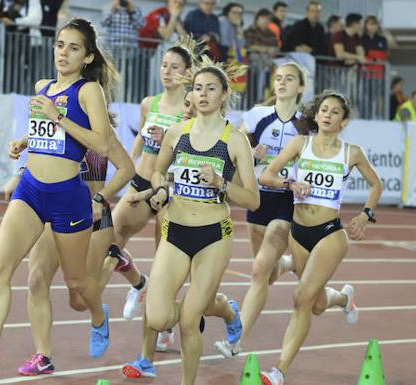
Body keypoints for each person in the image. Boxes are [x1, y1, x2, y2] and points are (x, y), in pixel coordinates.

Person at [0, 17, 118, 384]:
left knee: (77, 284)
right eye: (60, 44)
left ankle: (97, 316)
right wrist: (26, 142)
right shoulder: (42, 87)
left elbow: (102, 144)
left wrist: (57, 115)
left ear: (88, 57)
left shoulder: (89, 91)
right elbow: (48, 135)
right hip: (30, 190)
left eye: (73, 47)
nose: (63, 52)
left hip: (68, 197)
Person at [121, 56, 260, 385]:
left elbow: (253, 199)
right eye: (198, 88)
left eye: (211, 88)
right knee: (157, 316)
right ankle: (225, 309)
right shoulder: (176, 132)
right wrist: (160, 189)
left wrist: (221, 183)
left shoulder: (234, 140)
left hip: (214, 235)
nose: (203, 94)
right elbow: (158, 169)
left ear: (224, 94)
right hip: (175, 231)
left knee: (187, 320)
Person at [257, 90, 383, 385]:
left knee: (301, 298)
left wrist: (365, 215)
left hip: (330, 234)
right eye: (323, 110)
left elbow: (376, 185)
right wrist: (290, 183)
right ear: (316, 115)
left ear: (344, 120)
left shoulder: (352, 152)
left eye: (335, 111)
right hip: (299, 233)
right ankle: (343, 298)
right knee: (314, 304)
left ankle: (278, 371)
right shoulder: (301, 144)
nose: (327, 115)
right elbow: (266, 175)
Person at [3, 136, 134, 376]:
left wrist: (100, 197)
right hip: (55, 208)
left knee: (79, 300)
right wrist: (18, 174)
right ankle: (43, 356)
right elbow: (40, 157)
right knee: (36, 280)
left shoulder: (99, 128)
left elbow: (127, 169)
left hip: (92, 214)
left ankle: (111, 265)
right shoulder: (55, 118)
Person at [214, 62, 307, 358]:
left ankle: (235, 340)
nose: (282, 83)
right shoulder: (256, 116)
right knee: (265, 274)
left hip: (288, 203)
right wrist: (250, 156)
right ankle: (290, 263)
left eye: (289, 79)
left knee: (257, 272)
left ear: (300, 87)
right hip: (257, 199)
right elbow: (232, 150)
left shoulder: (307, 123)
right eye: (278, 78)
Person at [109, 36, 199, 323]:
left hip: (171, 191)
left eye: (174, 67)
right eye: (163, 65)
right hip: (141, 180)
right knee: (108, 238)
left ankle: (165, 321)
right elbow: (140, 135)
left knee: (165, 263)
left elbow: (194, 150)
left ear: (187, 73)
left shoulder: (192, 109)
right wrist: (128, 163)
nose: (167, 71)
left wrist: (168, 142)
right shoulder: (150, 103)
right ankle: (138, 283)